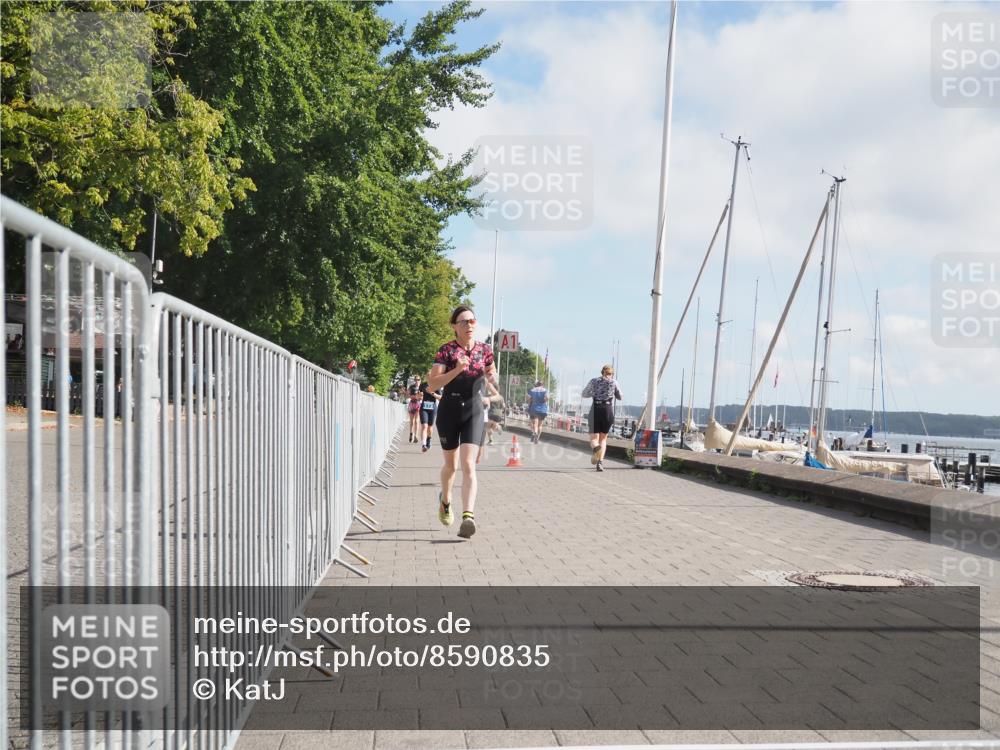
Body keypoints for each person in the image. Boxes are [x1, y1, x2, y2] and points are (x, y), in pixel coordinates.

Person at [427, 306, 497, 539]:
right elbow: (433, 385)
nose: (469, 325)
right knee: (452, 466)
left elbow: (491, 374)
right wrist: (457, 370)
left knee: (469, 464)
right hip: (449, 409)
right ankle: (445, 500)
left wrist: (492, 381)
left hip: (474, 410)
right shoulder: (446, 351)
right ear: (454, 326)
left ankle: (468, 517)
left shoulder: (485, 350)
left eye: (472, 321)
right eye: (464, 322)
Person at [582, 364, 622, 472]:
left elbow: (584, 394)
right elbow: (620, 397)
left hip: (595, 409)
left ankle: (596, 448)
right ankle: (600, 463)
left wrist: (594, 393)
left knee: (594, 438)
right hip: (607, 410)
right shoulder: (614, 382)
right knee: (603, 438)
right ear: (611, 373)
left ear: (602, 372)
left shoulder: (593, 381)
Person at [418, 371, 442, 452]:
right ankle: (423, 444)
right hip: (424, 407)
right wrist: (419, 395)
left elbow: (440, 398)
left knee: (430, 427)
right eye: (427, 376)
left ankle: (428, 440)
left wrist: (432, 393)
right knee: (424, 426)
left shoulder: (436, 385)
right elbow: (419, 394)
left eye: (430, 376)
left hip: (433, 407)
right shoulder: (423, 385)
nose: (428, 377)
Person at [407, 375, 422, 443]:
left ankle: (416, 436)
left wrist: (419, 397)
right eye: (415, 380)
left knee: (416, 421)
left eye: (418, 380)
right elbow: (407, 394)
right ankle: (411, 433)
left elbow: (423, 396)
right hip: (411, 404)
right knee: (412, 421)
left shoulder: (421, 387)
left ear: (420, 380)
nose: (417, 381)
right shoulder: (411, 387)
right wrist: (411, 396)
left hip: (418, 404)